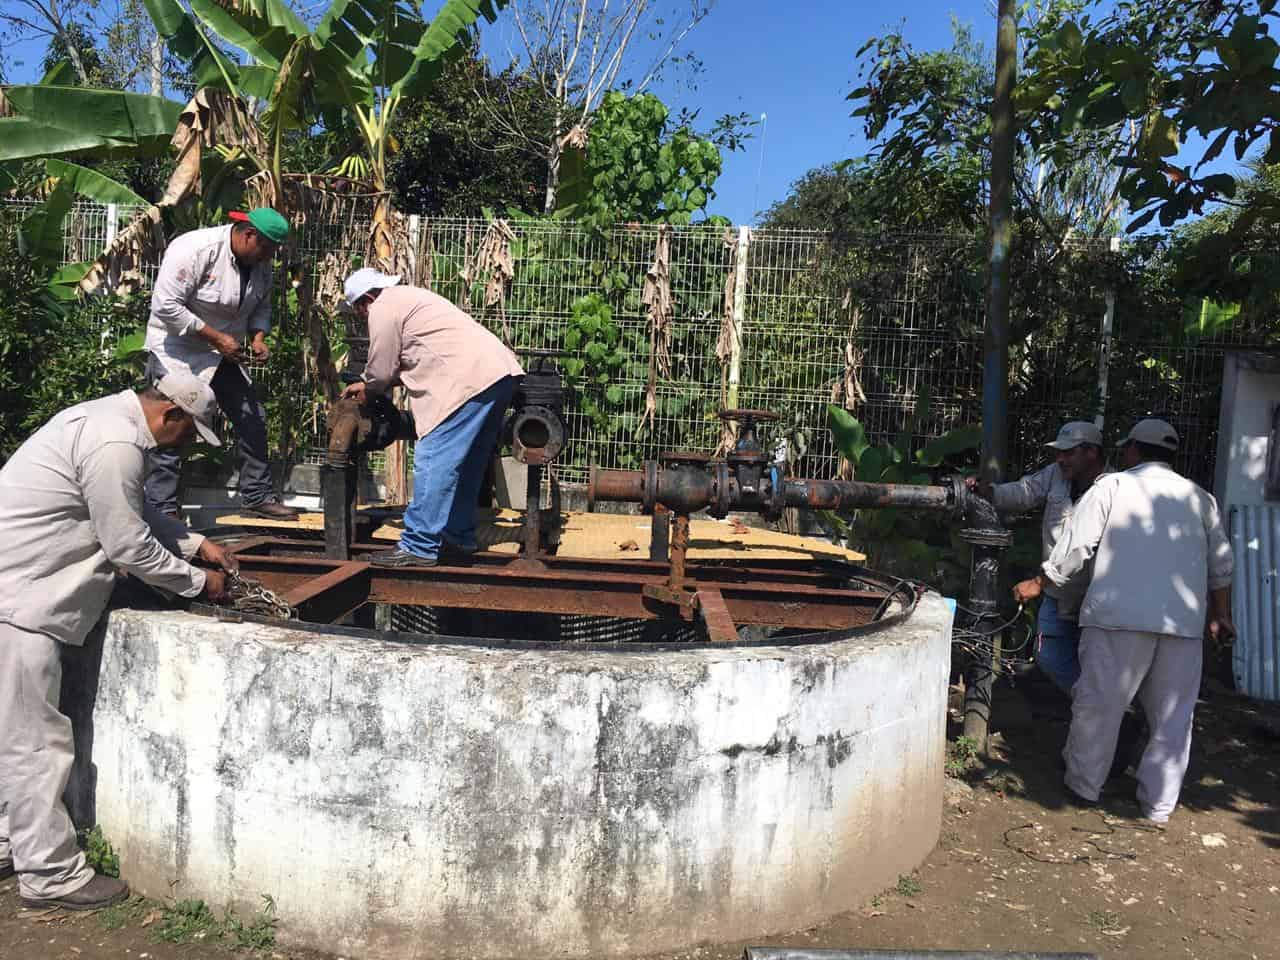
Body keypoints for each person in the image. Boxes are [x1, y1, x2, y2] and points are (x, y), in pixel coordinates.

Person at [0, 376, 237, 910]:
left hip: (17, 593)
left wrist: (198, 544)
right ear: (171, 415)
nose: (187, 444)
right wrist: (200, 582)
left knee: (14, 734)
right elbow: (127, 544)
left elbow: (127, 510)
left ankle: (11, 841)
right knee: (37, 744)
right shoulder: (117, 444)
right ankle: (50, 875)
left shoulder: (105, 419)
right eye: (189, 432)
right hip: (22, 601)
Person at [1040, 419, 1234, 822]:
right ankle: (1158, 806)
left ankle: (1083, 787)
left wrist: (1044, 580)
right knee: (1173, 719)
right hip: (1181, 625)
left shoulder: (1111, 487)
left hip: (1116, 618)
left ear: (1132, 450)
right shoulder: (1201, 499)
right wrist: (1221, 616)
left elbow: (1077, 548)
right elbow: (1221, 567)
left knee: (1099, 706)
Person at [340, 269, 523, 567]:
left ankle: (419, 545)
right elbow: (418, 358)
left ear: (365, 301)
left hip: (467, 381)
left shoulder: (382, 308)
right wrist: (371, 383)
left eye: (359, 311)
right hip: (497, 373)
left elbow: (381, 370)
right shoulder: (410, 298)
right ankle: (458, 536)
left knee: (433, 457)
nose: (362, 317)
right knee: (467, 463)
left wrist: (369, 390)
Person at [143, 207, 299, 521]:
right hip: (176, 349)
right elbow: (165, 306)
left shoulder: (260, 263)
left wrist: (258, 337)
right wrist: (215, 337)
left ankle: (256, 496)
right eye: (266, 249)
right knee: (170, 423)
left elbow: (261, 306)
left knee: (252, 417)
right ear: (248, 234)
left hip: (222, 352)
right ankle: (162, 509)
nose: (268, 257)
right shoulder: (194, 249)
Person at [968, 421, 1109, 693]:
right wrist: (989, 492)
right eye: (1059, 452)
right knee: (1050, 658)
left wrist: (1037, 582)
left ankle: (1103, 715)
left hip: (1096, 595)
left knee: (1098, 662)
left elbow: (1082, 547)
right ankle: (1098, 710)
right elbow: (1025, 492)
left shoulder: (1114, 486)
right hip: (1057, 590)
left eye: (1069, 453)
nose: (1060, 458)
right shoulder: (1055, 475)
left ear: (1091, 453)